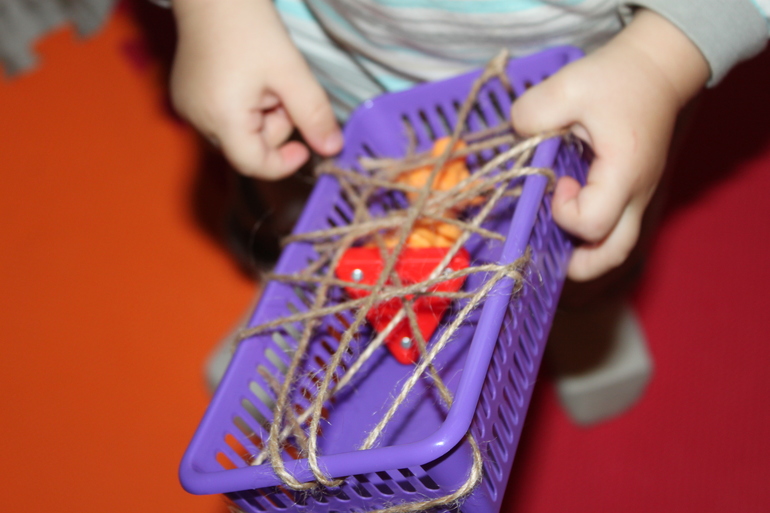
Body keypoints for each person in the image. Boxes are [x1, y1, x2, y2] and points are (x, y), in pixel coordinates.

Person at [160, 0, 770, 421]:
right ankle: (297, 314)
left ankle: (583, 317)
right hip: (308, 86)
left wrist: (663, 57)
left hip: (588, 97)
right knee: (300, 227)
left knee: (583, 241)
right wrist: (214, 11)